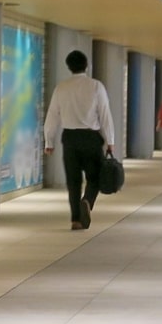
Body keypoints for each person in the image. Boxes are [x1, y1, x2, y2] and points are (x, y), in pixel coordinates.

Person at [43, 48, 116, 230]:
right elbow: (105, 114)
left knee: (73, 181)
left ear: (69, 67)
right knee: (95, 177)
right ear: (87, 65)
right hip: (91, 137)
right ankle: (87, 201)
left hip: (70, 138)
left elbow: (52, 115)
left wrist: (49, 141)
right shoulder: (96, 86)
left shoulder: (61, 88)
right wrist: (110, 140)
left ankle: (76, 219)